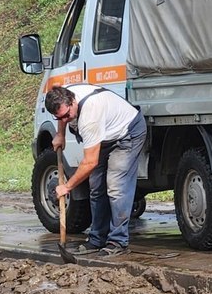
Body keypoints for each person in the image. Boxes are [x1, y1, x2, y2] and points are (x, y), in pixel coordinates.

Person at [46, 84, 146, 258]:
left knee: (116, 188)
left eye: (68, 115)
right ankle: (97, 238)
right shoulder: (64, 96)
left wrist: (67, 187)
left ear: (72, 101)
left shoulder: (90, 116)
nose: (65, 119)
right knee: (96, 187)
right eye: (60, 118)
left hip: (126, 133)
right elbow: (62, 116)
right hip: (104, 136)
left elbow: (90, 162)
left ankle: (117, 241)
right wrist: (60, 134)